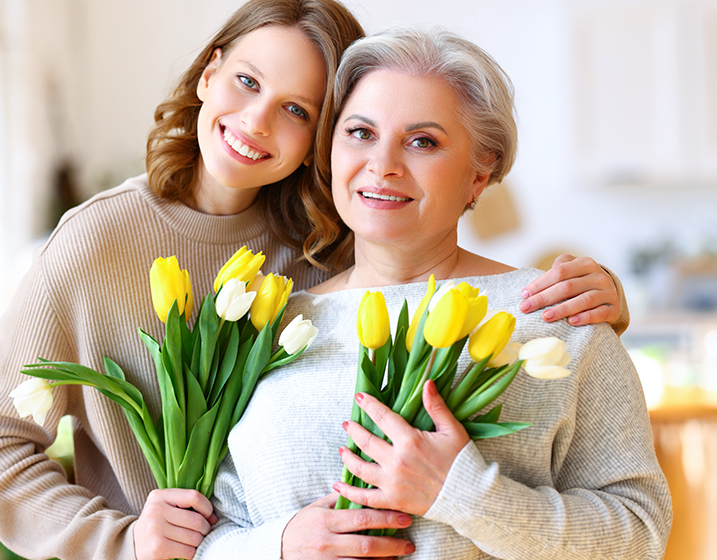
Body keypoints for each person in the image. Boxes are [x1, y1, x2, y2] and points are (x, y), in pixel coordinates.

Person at [0, 1, 630, 558]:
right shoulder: (99, 242)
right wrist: (120, 542)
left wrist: (594, 310)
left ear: (319, 141)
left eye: (298, 110)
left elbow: (423, 270)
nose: (257, 120)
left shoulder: (321, 247)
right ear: (208, 74)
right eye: (246, 81)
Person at [196, 27, 672, 559]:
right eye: (360, 132)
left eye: (423, 141)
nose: (383, 164)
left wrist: (463, 493)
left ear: (479, 172)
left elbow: (640, 533)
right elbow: (216, 530)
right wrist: (278, 547)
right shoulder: (273, 326)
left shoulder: (555, 316)